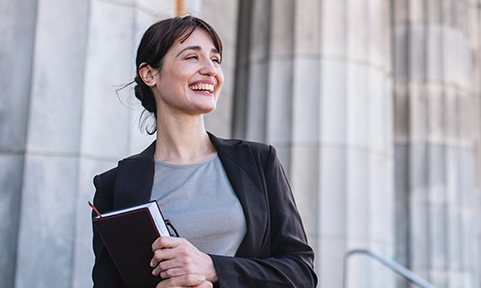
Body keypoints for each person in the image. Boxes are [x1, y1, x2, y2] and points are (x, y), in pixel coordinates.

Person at [91, 15, 317, 288]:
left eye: (215, 59)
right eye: (192, 57)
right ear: (149, 73)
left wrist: (213, 268)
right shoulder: (114, 186)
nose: (211, 70)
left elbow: (301, 273)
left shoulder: (258, 162)